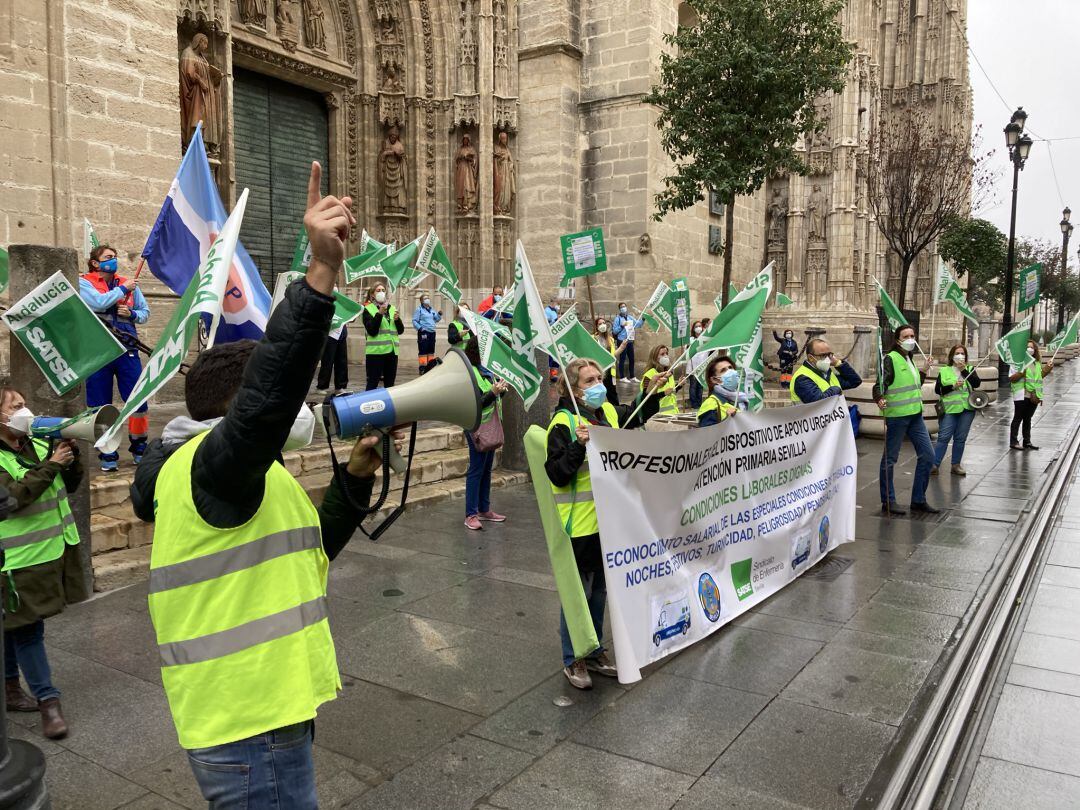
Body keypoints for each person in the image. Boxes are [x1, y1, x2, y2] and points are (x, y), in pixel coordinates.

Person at [131, 162, 394, 809]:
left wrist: (354, 482)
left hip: (262, 710)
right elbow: (269, 397)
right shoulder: (210, 469)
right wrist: (321, 277)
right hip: (249, 722)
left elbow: (306, 554)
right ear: (235, 414)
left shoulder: (241, 482)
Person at [545, 358, 662, 689]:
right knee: (578, 595)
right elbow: (555, 471)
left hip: (609, 521)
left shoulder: (607, 413)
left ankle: (594, 649)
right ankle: (574, 658)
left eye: (599, 377)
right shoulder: (563, 423)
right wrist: (577, 446)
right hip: (580, 525)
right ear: (572, 388)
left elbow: (634, 415)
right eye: (588, 380)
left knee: (599, 592)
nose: (597, 384)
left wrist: (652, 392)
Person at [0, 387, 86, 740]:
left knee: (13, 627)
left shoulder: (34, 444)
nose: (26, 410)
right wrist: (51, 465)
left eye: (25, 403)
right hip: (16, 561)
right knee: (28, 629)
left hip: (48, 552)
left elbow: (70, 484)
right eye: (16, 406)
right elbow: (11, 498)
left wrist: (71, 459)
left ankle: (9, 690)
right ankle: (49, 702)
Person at [79, 245, 151, 471]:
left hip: (127, 350)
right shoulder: (84, 283)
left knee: (138, 400)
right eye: (108, 257)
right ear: (95, 263)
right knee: (99, 405)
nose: (114, 260)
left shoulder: (129, 284)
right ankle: (107, 454)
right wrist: (122, 290)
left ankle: (140, 448)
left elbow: (145, 313)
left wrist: (132, 314)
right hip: (98, 352)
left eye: (115, 257)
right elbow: (97, 303)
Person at [873, 324, 937, 515]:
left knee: (928, 456)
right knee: (890, 459)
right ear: (898, 339)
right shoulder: (890, 359)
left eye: (912, 335)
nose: (910, 339)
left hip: (915, 415)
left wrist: (924, 370)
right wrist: (880, 398)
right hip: (897, 417)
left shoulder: (910, 359)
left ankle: (918, 499)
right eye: (906, 336)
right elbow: (880, 384)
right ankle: (888, 501)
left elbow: (915, 385)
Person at [462, 337, 510, 530]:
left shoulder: (486, 371)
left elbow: (493, 396)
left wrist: (501, 390)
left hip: (489, 425)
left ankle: (484, 509)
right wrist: (492, 392)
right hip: (476, 426)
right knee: (476, 469)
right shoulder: (470, 373)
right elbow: (474, 402)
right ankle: (470, 514)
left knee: (486, 469)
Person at [931, 345, 981, 475]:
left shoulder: (969, 369)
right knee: (943, 437)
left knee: (960, 438)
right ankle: (934, 464)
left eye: (962, 353)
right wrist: (953, 387)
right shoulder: (945, 370)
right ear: (952, 356)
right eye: (957, 353)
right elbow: (938, 390)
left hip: (967, 409)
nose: (960, 356)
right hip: (950, 409)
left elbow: (976, 383)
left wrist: (964, 370)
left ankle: (956, 465)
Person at [1009, 339, 1053, 451]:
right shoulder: (1017, 361)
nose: (1030, 349)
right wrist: (1021, 372)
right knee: (1018, 418)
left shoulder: (1036, 362)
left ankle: (1027, 441)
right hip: (1021, 394)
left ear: (1035, 350)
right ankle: (1013, 442)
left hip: (1033, 395)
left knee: (1028, 419)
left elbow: (1038, 377)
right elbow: (1012, 378)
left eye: (1032, 347)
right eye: (1028, 347)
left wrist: (1047, 369)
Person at [790, 338, 862, 403]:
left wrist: (838, 363)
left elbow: (855, 381)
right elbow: (818, 401)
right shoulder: (802, 378)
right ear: (811, 358)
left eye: (829, 355)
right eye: (823, 355)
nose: (828, 359)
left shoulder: (826, 373)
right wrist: (836, 389)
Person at [362, 281, 405, 390]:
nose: (381, 292)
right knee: (372, 383)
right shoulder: (368, 309)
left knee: (390, 385)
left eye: (383, 290)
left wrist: (397, 320)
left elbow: (400, 331)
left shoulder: (392, 308)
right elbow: (372, 331)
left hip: (392, 352)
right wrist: (379, 314)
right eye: (378, 290)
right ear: (372, 294)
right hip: (376, 352)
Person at [316, 289, 349, 394]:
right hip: (330, 335)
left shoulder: (342, 305)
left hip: (341, 334)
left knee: (342, 361)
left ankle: (340, 386)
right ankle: (321, 386)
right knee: (327, 362)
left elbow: (348, 318)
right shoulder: (323, 302)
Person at [697, 356, 740, 427]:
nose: (730, 371)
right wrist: (726, 420)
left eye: (730, 367)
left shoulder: (741, 400)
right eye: (723, 370)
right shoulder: (710, 405)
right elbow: (707, 436)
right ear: (714, 379)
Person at [593, 316, 626, 405]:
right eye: (600, 324)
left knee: (612, 394)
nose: (603, 325)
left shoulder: (610, 339)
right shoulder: (593, 339)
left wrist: (622, 347)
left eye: (604, 323)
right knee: (598, 394)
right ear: (596, 326)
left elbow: (613, 355)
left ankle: (616, 411)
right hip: (598, 370)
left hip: (609, 370)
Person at [640, 345, 679, 414]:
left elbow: (671, 390)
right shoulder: (649, 375)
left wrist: (679, 385)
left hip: (673, 414)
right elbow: (646, 397)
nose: (666, 356)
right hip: (658, 417)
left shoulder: (669, 373)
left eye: (667, 353)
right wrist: (663, 393)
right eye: (662, 354)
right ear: (655, 357)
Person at [613, 303, 645, 382]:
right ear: (619, 309)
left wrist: (643, 319)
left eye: (624, 306)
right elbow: (614, 331)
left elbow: (638, 325)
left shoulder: (630, 317)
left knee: (632, 359)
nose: (623, 308)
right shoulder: (617, 319)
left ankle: (632, 376)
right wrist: (621, 326)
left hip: (630, 341)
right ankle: (622, 377)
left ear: (626, 307)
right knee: (622, 359)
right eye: (621, 307)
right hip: (622, 341)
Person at [412, 293, 442, 373]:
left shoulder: (431, 310)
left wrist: (439, 315)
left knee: (431, 350)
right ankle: (422, 368)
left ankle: (430, 366)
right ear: (421, 301)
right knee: (423, 350)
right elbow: (414, 320)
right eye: (425, 298)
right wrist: (420, 328)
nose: (427, 299)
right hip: (424, 332)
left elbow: (435, 319)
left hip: (432, 332)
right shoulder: (419, 309)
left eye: (428, 298)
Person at [687, 321, 706, 409]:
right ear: (693, 329)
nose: (698, 328)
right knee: (693, 386)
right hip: (693, 366)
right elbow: (687, 352)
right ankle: (694, 403)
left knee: (700, 385)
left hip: (702, 366)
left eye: (700, 326)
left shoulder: (704, 338)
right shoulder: (691, 339)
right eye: (696, 326)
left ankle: (699, 402)